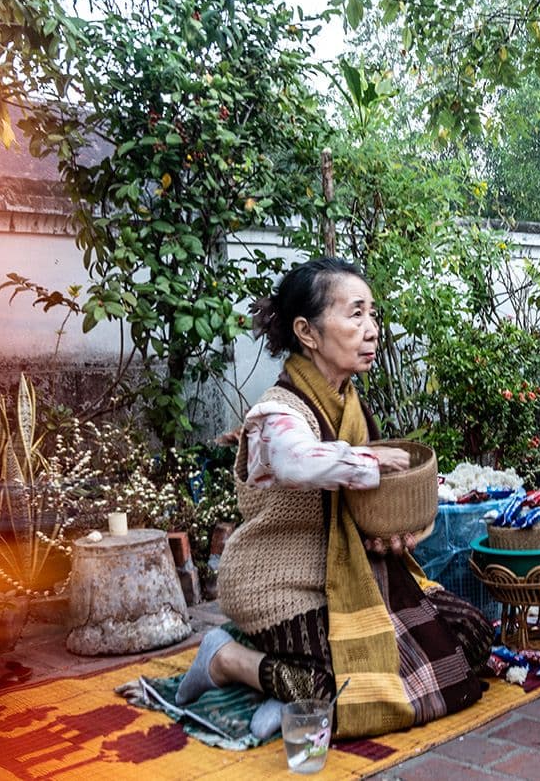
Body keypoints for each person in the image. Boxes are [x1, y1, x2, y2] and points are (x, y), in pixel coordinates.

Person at [174, 258, 489, 741]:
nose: (372, 330)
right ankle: (226, 658)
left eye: (373, 315)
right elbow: (296, 460)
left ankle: (284, 691)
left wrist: (390, 537)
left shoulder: (351, 405)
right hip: (281, 585)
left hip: (351, 580)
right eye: (355, 314)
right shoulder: (277, 412)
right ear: (308, 332)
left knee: (470, 634)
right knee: (347, 690)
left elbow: (366, 511)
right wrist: (368, 461)